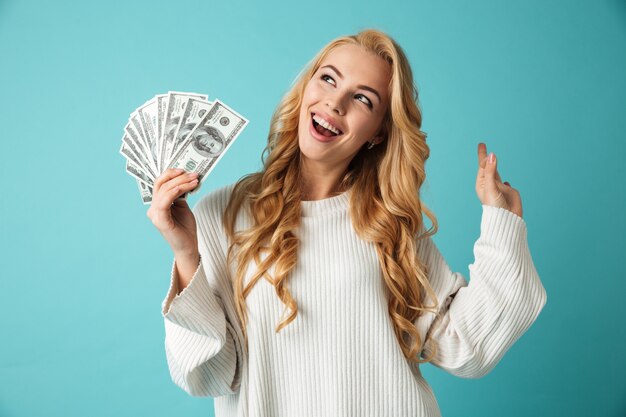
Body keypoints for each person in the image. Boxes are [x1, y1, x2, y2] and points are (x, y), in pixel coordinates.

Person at [147, 28, 547, 417]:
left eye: (362, 99)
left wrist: (503, 222)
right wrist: (186, 252)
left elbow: (467, 345)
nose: (335, 103)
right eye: (327, 79)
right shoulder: (225, 213)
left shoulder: (387, 223)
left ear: (378, 133)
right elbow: (209, 374)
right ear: (306, 89)